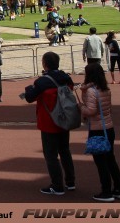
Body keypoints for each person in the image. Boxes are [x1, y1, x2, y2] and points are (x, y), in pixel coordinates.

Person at [23, 52, 76, 196]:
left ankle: (57, 185)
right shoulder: (66, 77)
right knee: (65, 151)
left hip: (49, 121)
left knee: (51, 155)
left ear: (45, 64)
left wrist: (29, 89)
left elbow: (29, 97)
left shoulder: (42, 82)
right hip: (64, 118)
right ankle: (70, 182)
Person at [80, 64, 120, 202]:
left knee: (101, 162)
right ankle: (118, 188)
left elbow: (91, 111)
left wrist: (81, 108)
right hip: (108, 127)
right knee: (110, 159)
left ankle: (106, 191)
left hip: (97, 129)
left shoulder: (91, 91)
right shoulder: (105, 89)